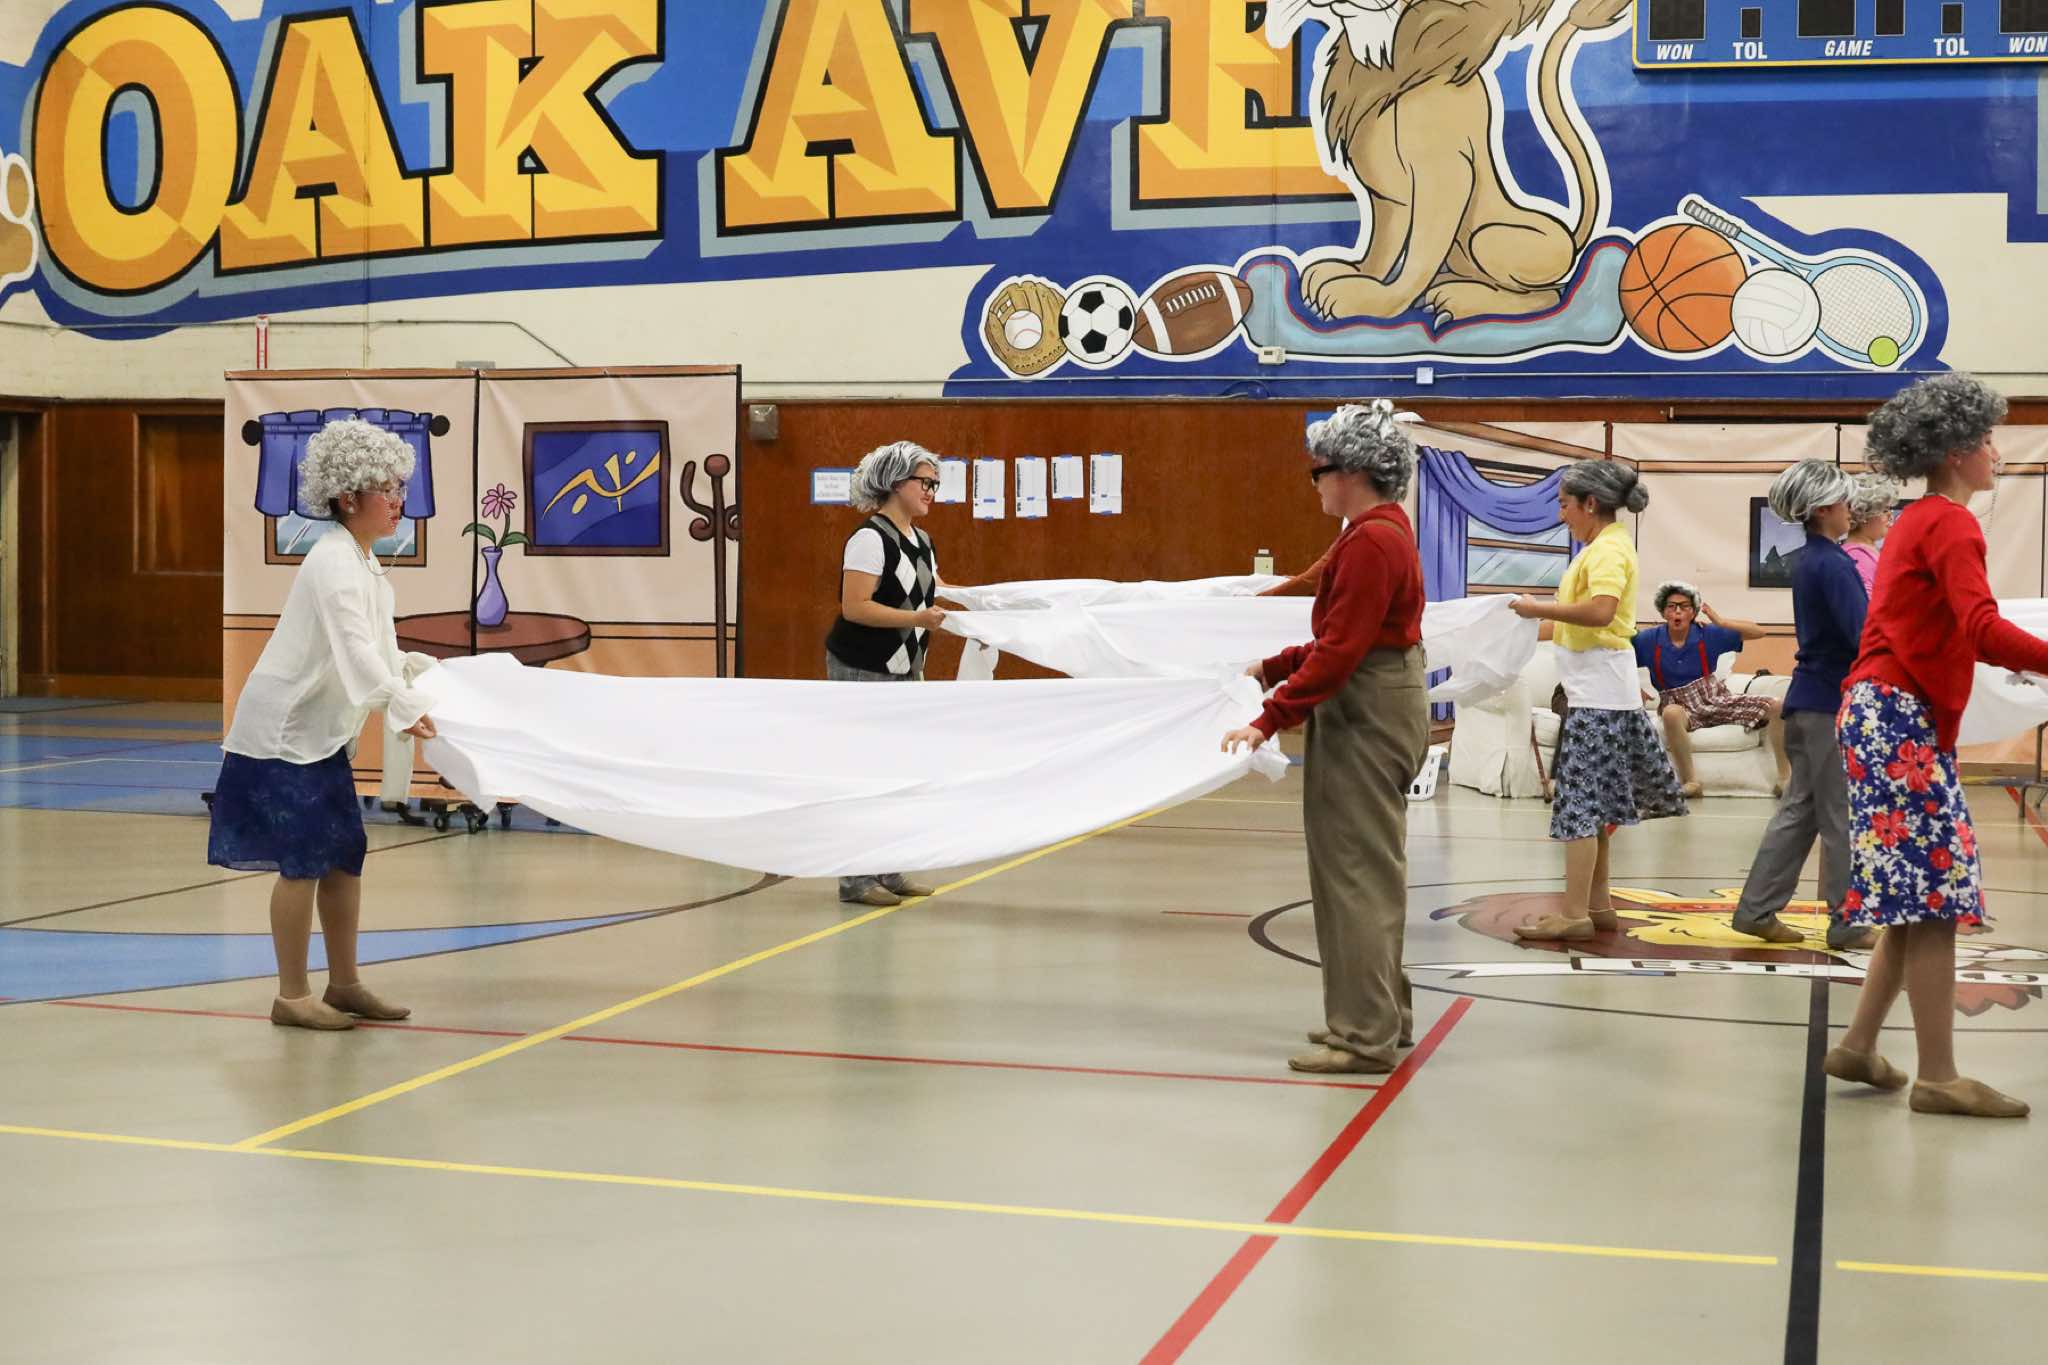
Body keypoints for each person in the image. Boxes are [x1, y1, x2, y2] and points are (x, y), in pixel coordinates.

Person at [1828, 374, 2048, 1118]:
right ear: (1955, 450)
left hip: (1878, 713)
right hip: (1898, 718)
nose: (1996, 452)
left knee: (1914, 893)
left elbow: (1960, 634)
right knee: (1935, 898)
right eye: (1986, 439)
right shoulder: (1952, 523)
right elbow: (1983, 627)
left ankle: (1859, 1044)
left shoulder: (1915, 519)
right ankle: (1940, 1076)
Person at [208, 419, 437, 1031]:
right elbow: (353, 650)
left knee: (343, 855)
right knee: (303, 859)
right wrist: (398, 702)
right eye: (386, 488)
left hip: (321, 734)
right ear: (347, 497)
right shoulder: (332, 559)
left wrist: (411, 675)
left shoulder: (364, 559)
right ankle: (292, 995)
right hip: (285, 736)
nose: (398, 499)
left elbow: (377, 647)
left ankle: (345, 983)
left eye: (399, 486)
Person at [1223, 401, 1427, 1075]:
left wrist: (1266, 717)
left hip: (1367, 713)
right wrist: (1273, 665)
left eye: (1319, 470)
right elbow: (1344, 633)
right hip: (1382, 698)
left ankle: (1363, 1033)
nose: (1313, 483)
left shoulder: (1370, 542)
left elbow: (1340, 653)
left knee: (1354, 877)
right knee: (1372, 870)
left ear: (1354, 472)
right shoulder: (1381, 530)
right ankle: (1383, 1014)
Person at [1508, 462, 1685, 941]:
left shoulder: (1606, 551)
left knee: (1579, 809)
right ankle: (1597, 905)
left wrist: (1536, 607)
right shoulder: (1607, 547)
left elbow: (1600, 611)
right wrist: (1516, 628)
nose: (1561, 514)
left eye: (1564, 504)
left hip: (1598, 698)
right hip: (1605, 693)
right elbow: (1576, 622)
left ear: (1590, 504)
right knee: (1599, 806)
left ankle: (1573, 914)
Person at [1730, 460, 1876, 951]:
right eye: (1843, 500)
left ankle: (1755, 911)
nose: (1850, 508)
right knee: (1841, 816)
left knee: (1800, 812)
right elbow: (1863, 637)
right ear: (1821, 509)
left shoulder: (1812, 559)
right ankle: (1848, 921)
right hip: (1831, 703)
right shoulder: (1833, 564)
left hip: (1808, 700)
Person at [825, 440, 949, 908]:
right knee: (863, 774)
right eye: (925, 482)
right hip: (863, 668)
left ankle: (888, 869)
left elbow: (926, 592)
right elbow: (855, 607)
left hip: (905, 671)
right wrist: (917, 619)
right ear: (895, 482)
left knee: (897, 773)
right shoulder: (869, 539)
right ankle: (855, 879)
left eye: (935, 484)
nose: (931, 491)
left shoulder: (923, 541)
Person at [1635, 581, 1786, 797]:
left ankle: (1784, 778)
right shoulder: (1648, 640)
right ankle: (1691, 782)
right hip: (1678, 705)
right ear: (1663, 611)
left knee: (1779, 706)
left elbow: (1759, 632)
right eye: (1671, 606)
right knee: (1670, 713)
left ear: (1693, 612)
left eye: (1684, 606)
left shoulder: (1707, 633)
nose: (1677, 611)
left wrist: (1721, 622)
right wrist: (1634, 687)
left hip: (1714, 698)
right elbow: (1619, 656)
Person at [1842, 472, 1898, 595]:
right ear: (1863, 514)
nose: (1890, 515)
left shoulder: (1868, 550)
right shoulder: (1857, 556)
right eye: (1884, 510)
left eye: (1890, 509)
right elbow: (1868, 603)